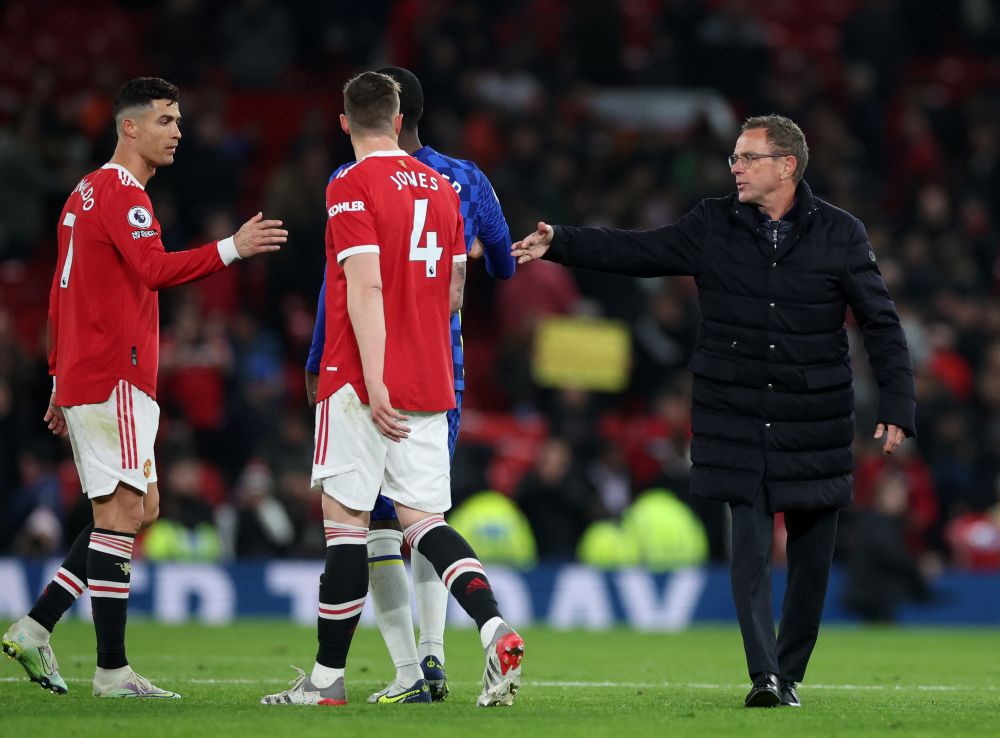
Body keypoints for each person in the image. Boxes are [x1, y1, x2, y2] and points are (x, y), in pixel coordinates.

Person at [512, 114, 915, 708]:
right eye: (734, 158)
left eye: (748, 158)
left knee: (810, 559)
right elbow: (639, 251)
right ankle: (765, 676)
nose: (736, 168)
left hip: (815, 414)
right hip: (735, 410)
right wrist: (561, 242)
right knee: (749, 547)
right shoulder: (712, 221)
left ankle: (791, 671)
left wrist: (897, 403)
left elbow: (880, 321)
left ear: (787, 166)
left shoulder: (842, 233)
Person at [1, 77, 286, 699]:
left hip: (89, 371)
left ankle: (34, 626)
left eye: (178, 120)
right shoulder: (125, 194)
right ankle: (110, 672)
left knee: (139, 509)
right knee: (121, 515)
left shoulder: (82, 192)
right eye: (165, 120)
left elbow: (60, 291)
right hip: (115, 374)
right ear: (129, 127)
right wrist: (232, 249)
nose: (177, 131)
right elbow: (154, 270)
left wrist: (57, 376)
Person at [261, 71, 523, 708]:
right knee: (424, 522)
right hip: (435, 375)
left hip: (362, 378)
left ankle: (326, 682)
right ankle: (494, 629)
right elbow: (459, 289)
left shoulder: (349, 183)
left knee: (349, 527)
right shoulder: (444, 185)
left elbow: (362, 286)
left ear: (344, 122)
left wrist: (374, 379)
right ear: (401, 117)